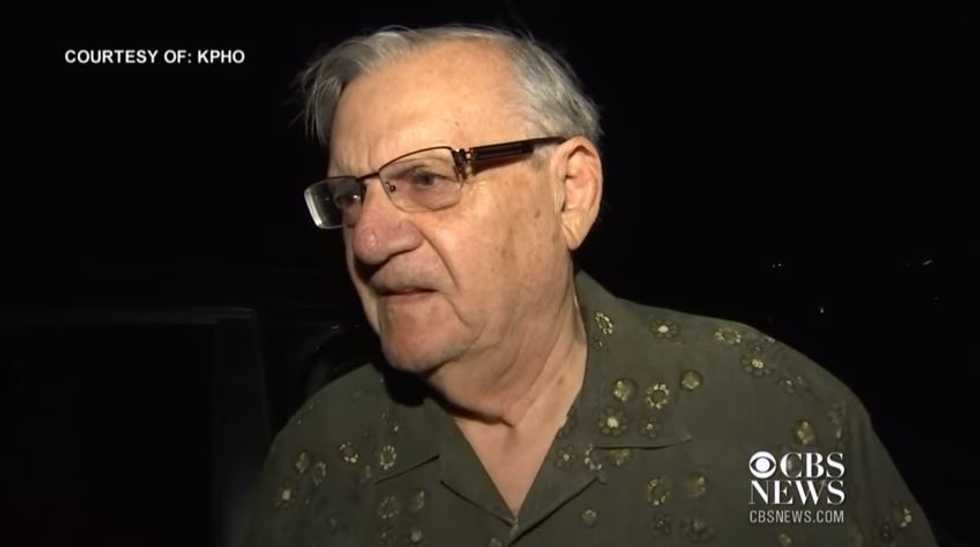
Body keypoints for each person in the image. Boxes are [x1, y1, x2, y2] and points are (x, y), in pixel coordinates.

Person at [246, 25, 937, 546]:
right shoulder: (318, 461)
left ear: (570, 193)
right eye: (350, 197)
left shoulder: (774, 414)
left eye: (426, 178)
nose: (368, 240)